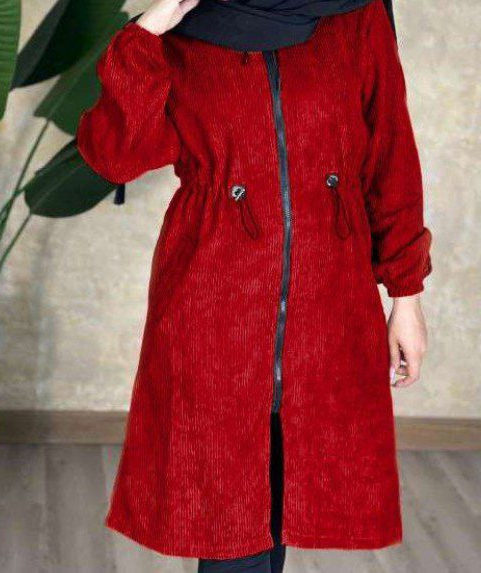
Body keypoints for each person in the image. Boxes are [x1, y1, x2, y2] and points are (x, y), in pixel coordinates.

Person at [76, 1, 432, 571]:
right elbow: (114, 158)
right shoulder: (181, 25)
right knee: (226, 515)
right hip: (212, 301)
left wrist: (406, 296)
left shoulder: (356, 13)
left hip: (330, 304)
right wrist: (150, 29)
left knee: (279, 501)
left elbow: (391, 156)